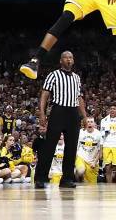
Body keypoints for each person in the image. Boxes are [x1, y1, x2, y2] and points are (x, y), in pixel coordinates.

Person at [35, 51, 87, 188]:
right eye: (66, 57)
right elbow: (45, 94)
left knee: (71, 147)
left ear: (73, 60)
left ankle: (67, 179)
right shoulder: (53, 75)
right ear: (61, 60)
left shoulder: (76, 77)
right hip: (58, 110)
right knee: (49, 145)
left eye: (71, 57)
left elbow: (79, 97)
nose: (68, 59)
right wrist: (42, 113)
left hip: (73, 112)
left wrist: (85, 116)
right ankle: (41, 177)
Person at [75, 117, 102, 183]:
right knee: (81, 171)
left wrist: (95, 162)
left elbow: (100, 150)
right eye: (88, 122)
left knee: (90, 186)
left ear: (94, 124)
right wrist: (75, 158)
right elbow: (76, 147)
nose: (89, 123)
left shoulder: (98, 134)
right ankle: (77, 175)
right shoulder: (80, 132)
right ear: (85, 124)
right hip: (81, 157)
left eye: (91, 122)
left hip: (92, 161)